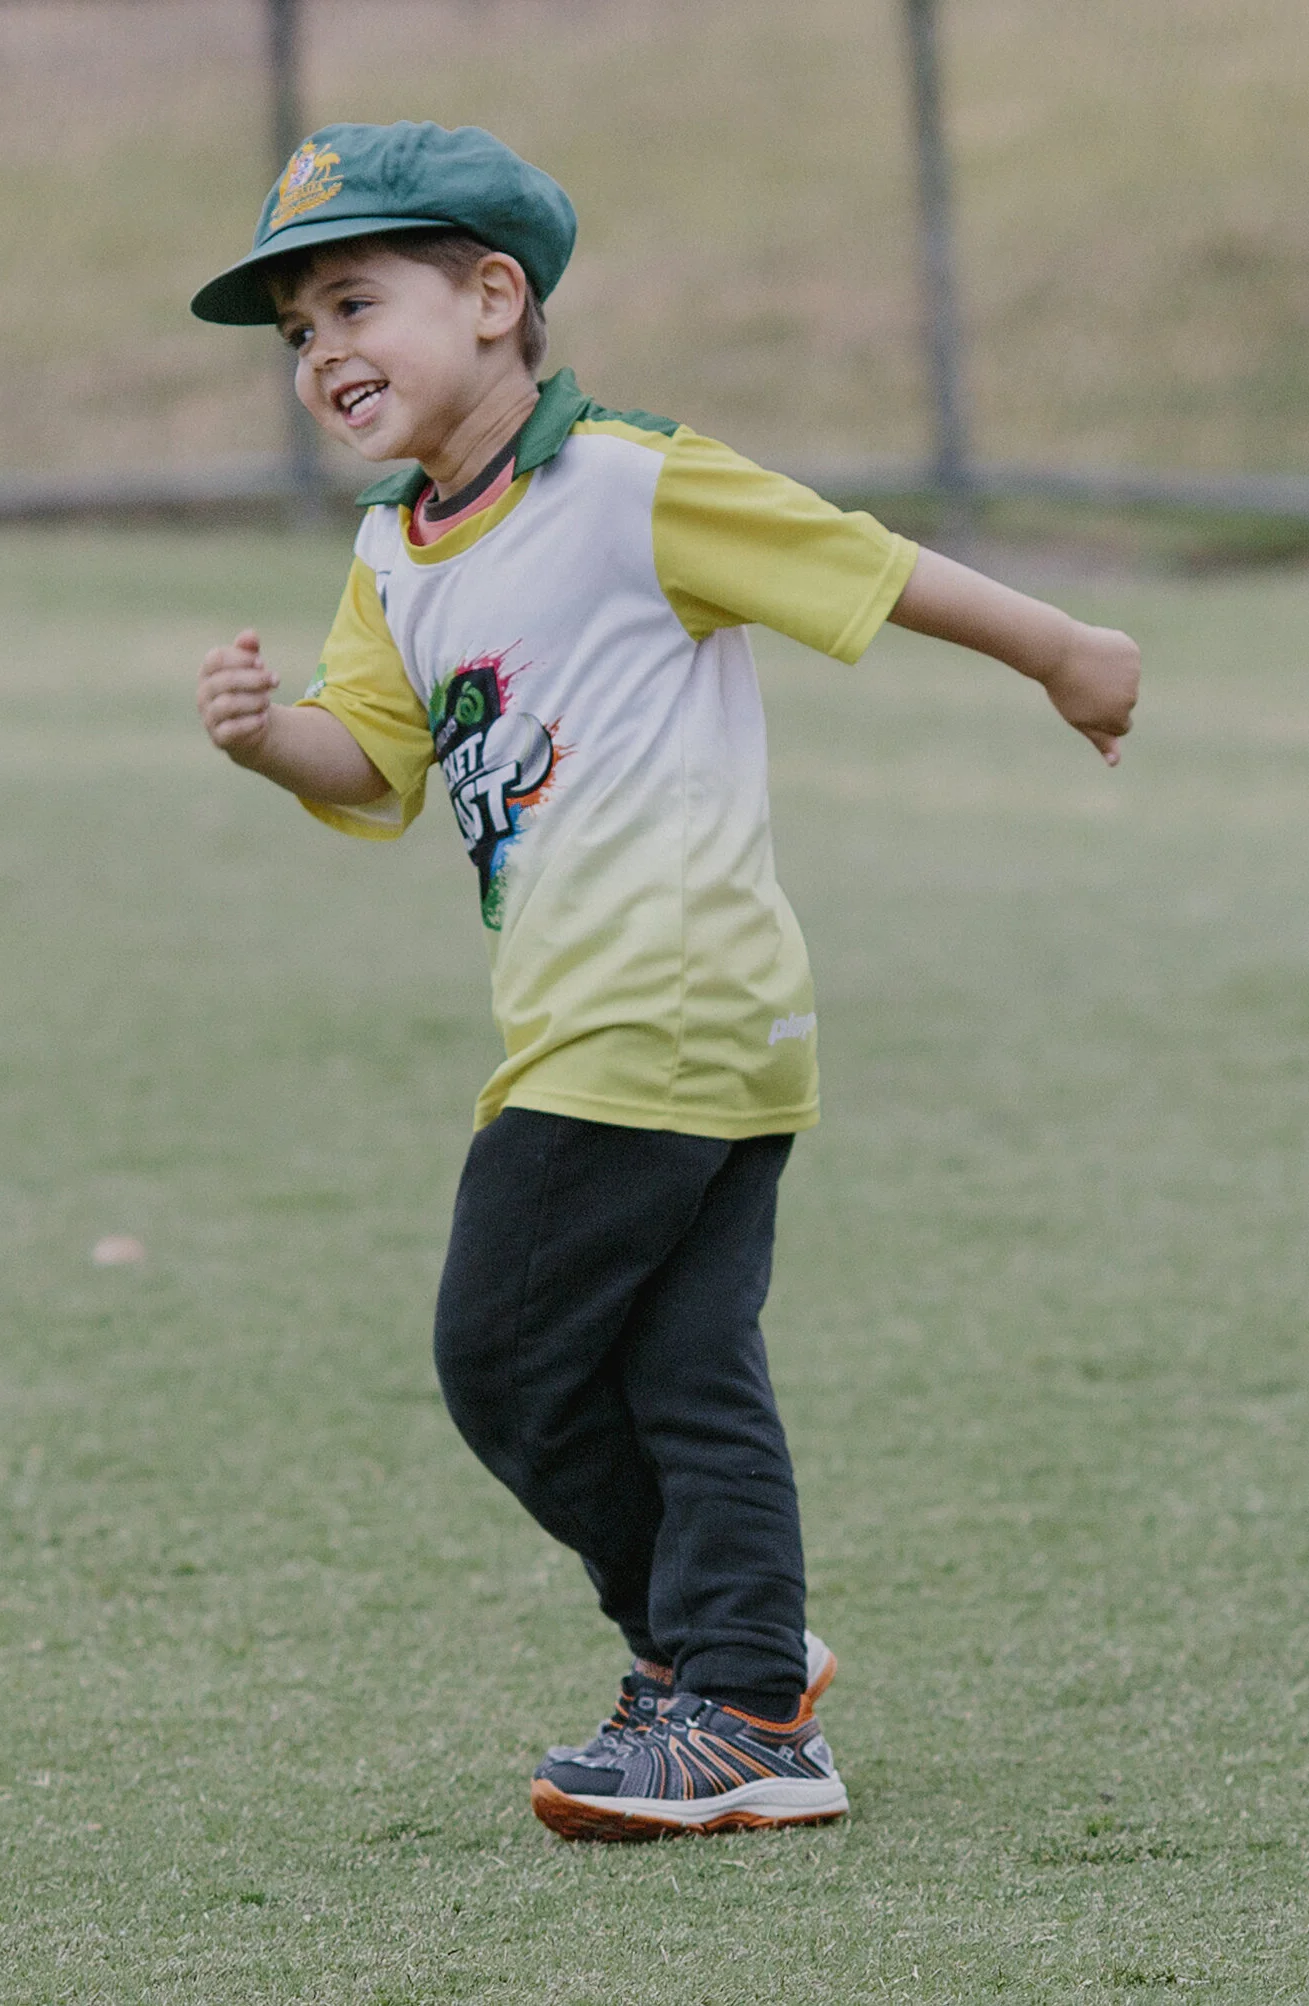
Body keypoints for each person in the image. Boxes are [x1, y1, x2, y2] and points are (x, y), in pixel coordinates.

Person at [192, 121, 1140, 1842]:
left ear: (496, 298)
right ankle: (747, 1681)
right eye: (298, 330)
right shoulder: (398, 551)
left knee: (501, 1353)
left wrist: (1065, 647)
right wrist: (270, 742)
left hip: (664, 1009)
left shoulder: (629, 481)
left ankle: (730, 1676)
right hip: (662, 1024)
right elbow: (374, 762)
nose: (322, 350)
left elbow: (859, 561)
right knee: (680, 1372)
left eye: (355, 301)